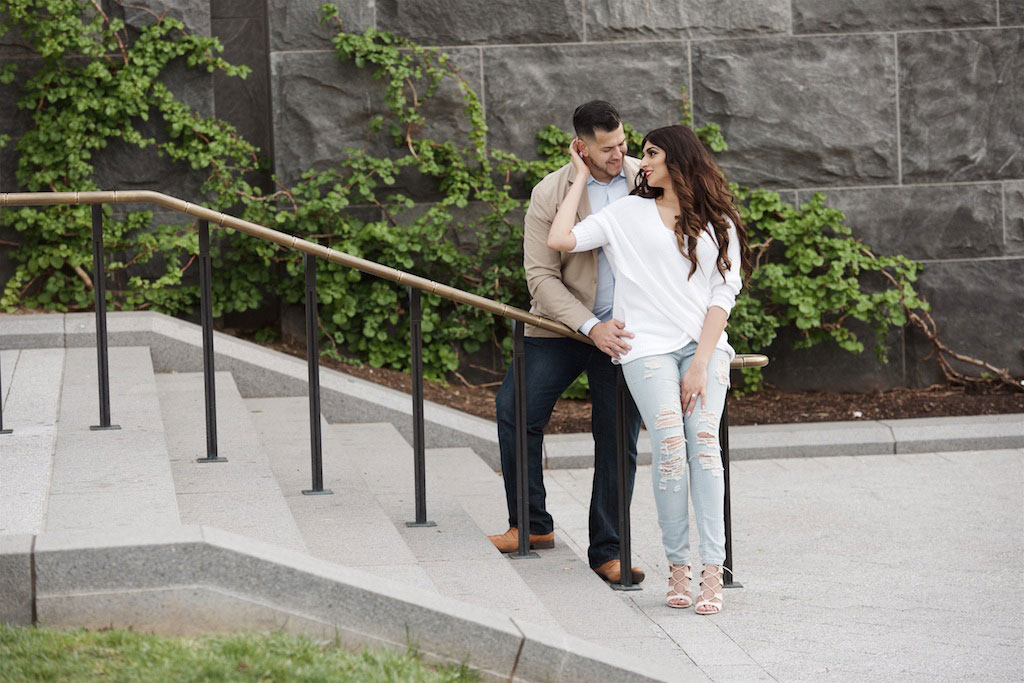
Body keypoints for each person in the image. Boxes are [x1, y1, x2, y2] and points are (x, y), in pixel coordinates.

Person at [546, 124, 749, 615]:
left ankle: (711, 571)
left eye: (651, 154)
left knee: (704, 448)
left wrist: (701, 363)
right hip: (646, 350)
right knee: (670, 445)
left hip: (703, 349)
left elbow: (725, 292)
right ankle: (678, 567)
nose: (642, 162)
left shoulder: (718, 219)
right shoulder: (625, 214)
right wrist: (577, 177)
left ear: (677, 160)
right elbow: (560, 238)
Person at [490, 101, 645, 586]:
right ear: (581, 146)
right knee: (516, 410)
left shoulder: (649, 179)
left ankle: (610, 551)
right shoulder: (549, 192)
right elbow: (540, 277)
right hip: (562, 327)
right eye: (607, 148)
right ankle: (530, 526)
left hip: (626, 332)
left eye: (622, 143)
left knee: (618, 435)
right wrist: (587, 326)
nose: (620, 154)